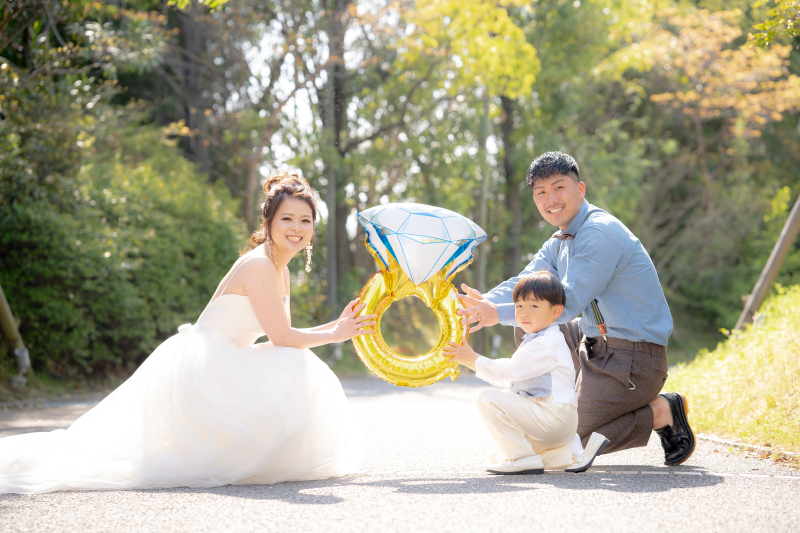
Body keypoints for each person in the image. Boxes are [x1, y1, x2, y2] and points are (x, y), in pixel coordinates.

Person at [0, 171, 376, 494]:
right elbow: (280, 337)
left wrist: (337, 325)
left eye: (305, 221)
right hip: (207, 364)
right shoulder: (260, 265)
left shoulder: (282, 269)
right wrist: (334, 334)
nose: (297, 228)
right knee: (292, 358)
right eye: (287, 219)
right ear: (269, 223)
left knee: (293, 359)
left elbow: (281, 332)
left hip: (226, 359)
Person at [456, 151, 695, 466]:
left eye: (559, 188)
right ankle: (548, 401)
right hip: (591, 342)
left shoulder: (599, 232)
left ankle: (661, 411)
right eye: (540, 192)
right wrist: (480, 304)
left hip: (633, 357)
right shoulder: (558, 240)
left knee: (563, 440)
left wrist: (495, 314)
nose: (550, 199)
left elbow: (566, 304)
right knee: (525, 319)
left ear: (580, 189)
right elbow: (524, 284)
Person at [444, 271, 609, 474]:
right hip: (557, 421)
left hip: (553, 418)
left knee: (488, 399)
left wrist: (471, 359)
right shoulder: (540, 337)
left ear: (556, 311)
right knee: (497, 456)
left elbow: (511, 370)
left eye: (534, 305)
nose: (524, 312)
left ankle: (521, 458)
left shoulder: (546, 342)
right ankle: (567, 455)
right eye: (519, 306)